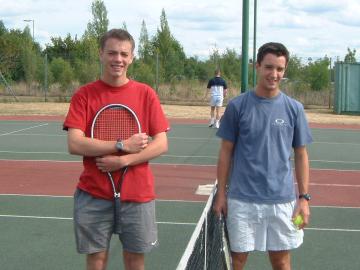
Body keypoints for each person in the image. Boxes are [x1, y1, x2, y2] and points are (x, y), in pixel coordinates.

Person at [63, 29, 169, 270]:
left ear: (131, 57)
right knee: (96, 260)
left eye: (123, 53)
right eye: (111, 53)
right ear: (101, 54)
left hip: (137, 195)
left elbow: (161, 143)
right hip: (93, 194)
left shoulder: (146, 94)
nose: (117, 59)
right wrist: (122, 145)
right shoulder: (84, 95)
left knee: (134, 261)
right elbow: (75, 143)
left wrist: (124, 160)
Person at [213, 42, 312, 270]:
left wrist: (303, 199)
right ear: (257, 66)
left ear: (284, 71)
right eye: (268, 67)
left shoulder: (294, 108)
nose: (273, 74)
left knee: (281, 261)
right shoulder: (237, 106)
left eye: (279, 69)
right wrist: (221, 194)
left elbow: (301, 154)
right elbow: (225, 153)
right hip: (242, 201)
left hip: (283, 202)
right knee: (236, 261)